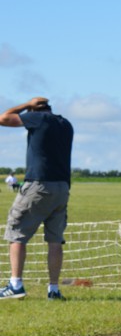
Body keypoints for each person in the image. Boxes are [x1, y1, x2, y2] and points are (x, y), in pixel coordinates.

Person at [0, 97, 74, 300]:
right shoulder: (65, 124)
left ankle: (15, 285)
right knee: (55, 241)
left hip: (39, 185)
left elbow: (4, 118)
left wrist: (26, 105)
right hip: (62, 187)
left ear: (35, 110)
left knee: (16, 234)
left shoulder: (37, 118)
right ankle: (54, 290)